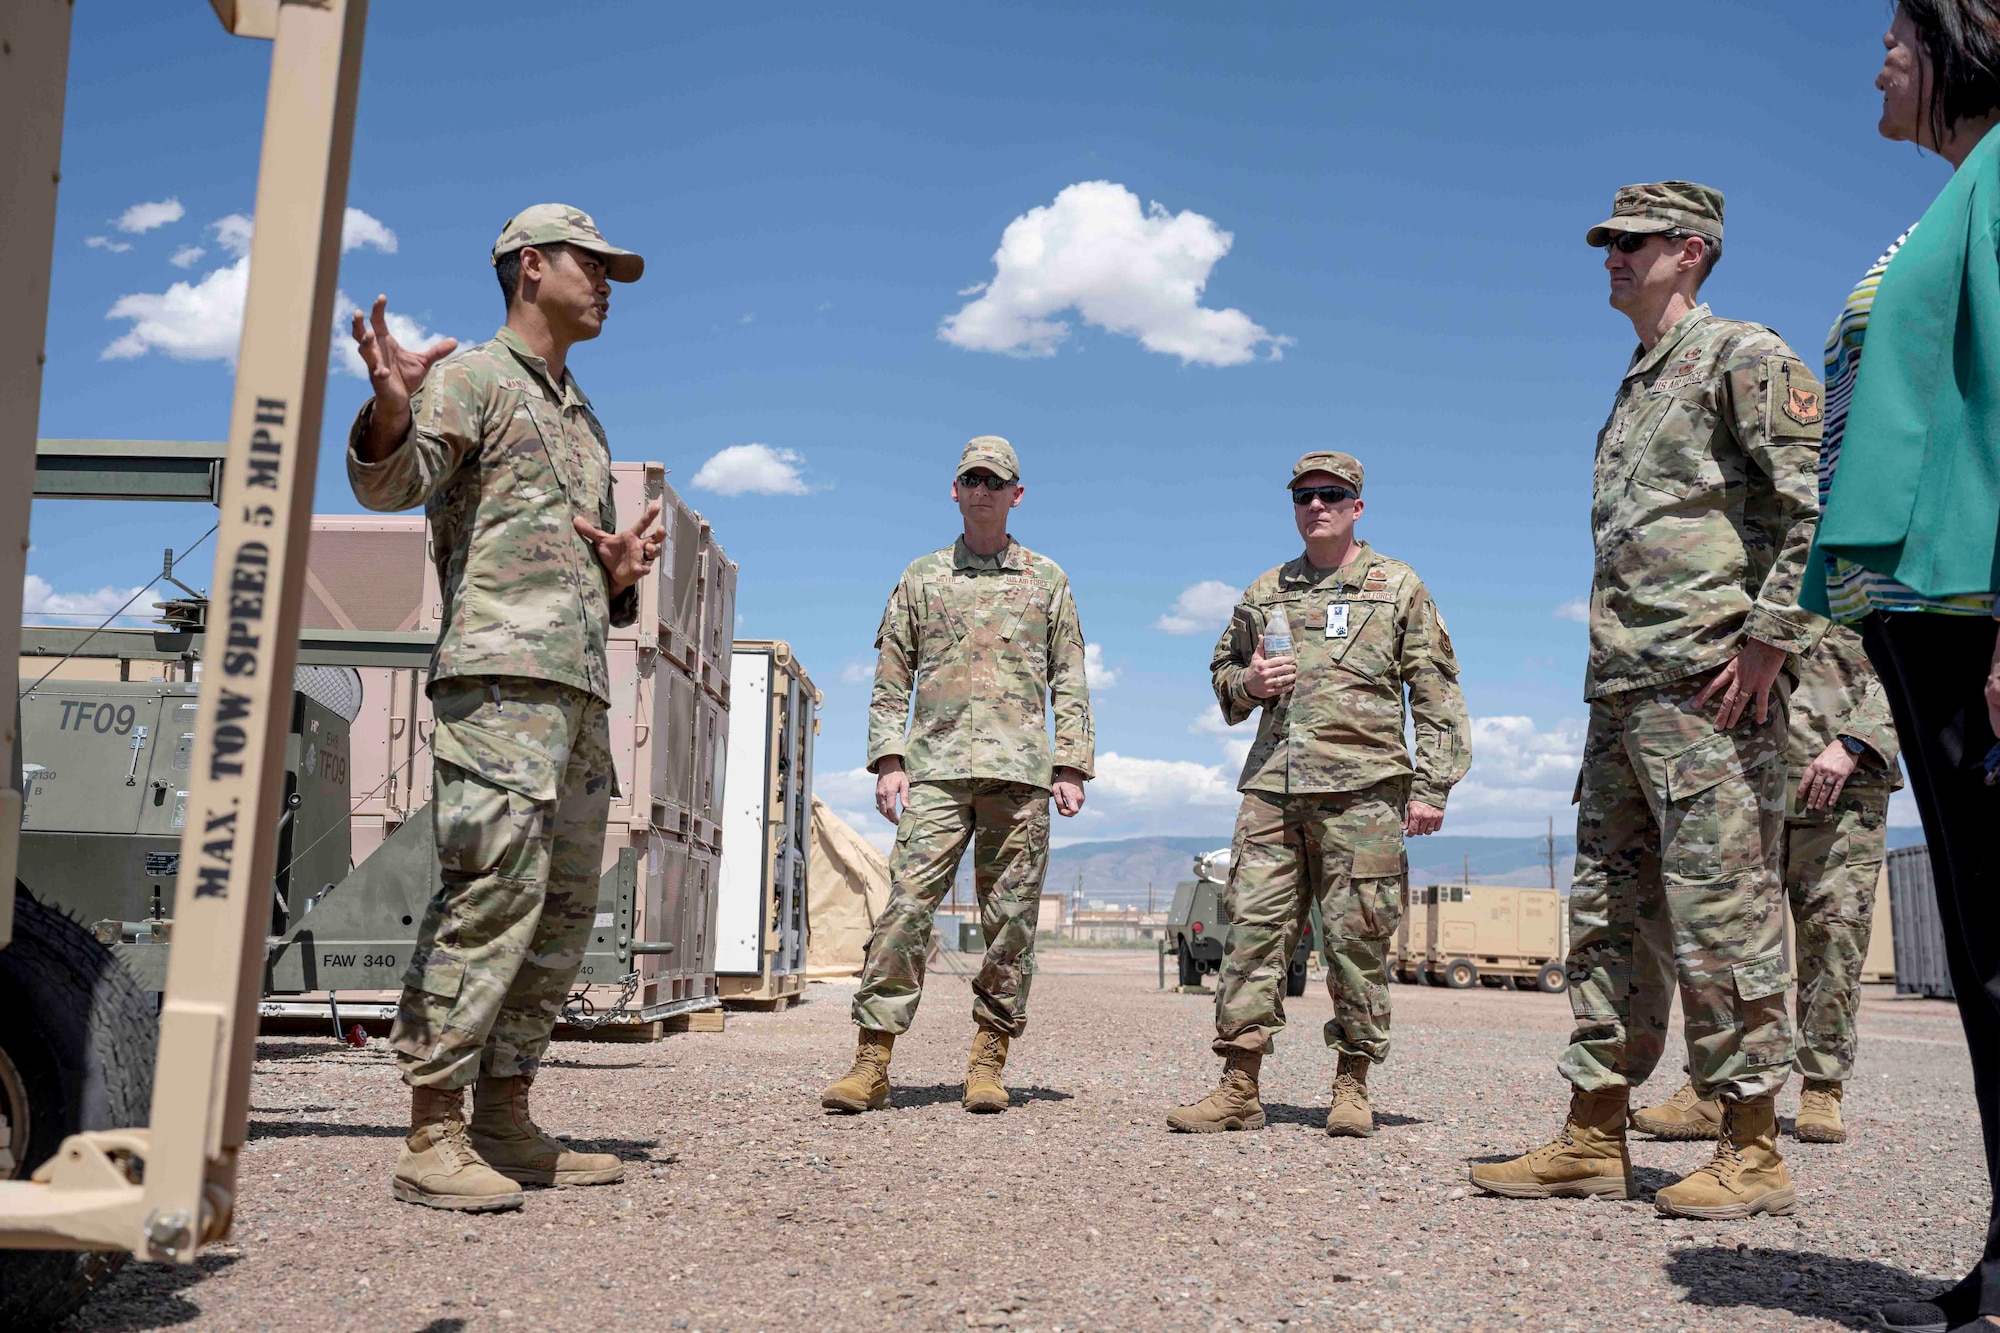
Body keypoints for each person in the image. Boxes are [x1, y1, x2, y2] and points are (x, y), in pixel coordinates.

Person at [1470, 182, 1824, 1220]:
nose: (1610, 259)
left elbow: (1815, 503)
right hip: (1624, 690)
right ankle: (1592, 1134)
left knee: (1723, 917)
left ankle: (1751, 1147)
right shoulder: (1637, 381)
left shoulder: (1742, 356)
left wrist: (1767, 639)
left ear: (1689, 249)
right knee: (1608, 919)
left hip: (1710, 686)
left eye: (1629, 243)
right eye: (1606, 244)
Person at [347, 204, 664, 1212]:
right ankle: (430, 1132)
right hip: (496, 685)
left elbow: (587, 573)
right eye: (592, 264)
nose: (607, 282)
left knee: (559, 913)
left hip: (574, 689)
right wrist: (393, 405)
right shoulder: (471, 380)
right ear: (531, 266)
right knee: (487, 896)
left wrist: (618, 577)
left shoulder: (581, 415)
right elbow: (395, 482)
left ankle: (505, 1118)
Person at [1804, 7, 2000, 1328]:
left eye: (1895, 34)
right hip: (1929, 615)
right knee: (1988, 959)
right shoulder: (1962, 194)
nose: (1876, 59)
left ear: (1959, 45)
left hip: (1978, 617)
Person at [1165, 450, 1469, 1138]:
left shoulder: (1397, 587)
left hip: (1365, 793)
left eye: (1331, 494)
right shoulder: (1266, 590)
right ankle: (1239, 1084)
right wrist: (1248, 684)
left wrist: (1433, 783)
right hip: (1275, 790)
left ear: (1357, 506)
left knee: (1357, 940)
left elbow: (1437, 692)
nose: (1316, 505)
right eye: (1304, 496)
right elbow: (1223, 668)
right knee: (1251, 934)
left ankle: (1352, 1083)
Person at [820, 436, 1093, 1116]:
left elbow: (1071, 676)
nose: (983, 490)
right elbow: (891, 674)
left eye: (995, 481)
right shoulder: (922, 578)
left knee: (1011, 925)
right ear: (954, 490)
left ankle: (988, 1059)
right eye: (972, 479)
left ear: (1016, 495)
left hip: (1020, 774)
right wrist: (888, 757)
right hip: (936, 770)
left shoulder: (1046, 580)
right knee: (904, 909)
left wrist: (1071, 763)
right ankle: (872, 1059)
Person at [1631, 624, 1901, 1146]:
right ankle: (1718, 1090)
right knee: (1737, 934)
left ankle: (1822, 1084)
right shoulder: (1756, 578)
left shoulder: (1860, 573)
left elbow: (1914, 669)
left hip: (1847, 782)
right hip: (1751, 773)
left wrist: (1856, 741)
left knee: (1834, 937)